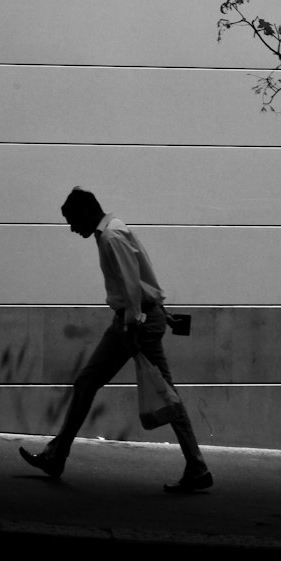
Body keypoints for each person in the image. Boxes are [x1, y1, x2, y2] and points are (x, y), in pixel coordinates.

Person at [19, 186, 213, 494]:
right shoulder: (114, 228)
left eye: (72, 220)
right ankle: (56, 455)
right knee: (87, 383)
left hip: (135, 323)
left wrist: (134, 322)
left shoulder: (111, 236)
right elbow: (140, 278)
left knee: (165, 394)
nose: (72, 228)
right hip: (132, 319)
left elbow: (130, 284)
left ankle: (198, 466)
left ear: (86, 212)